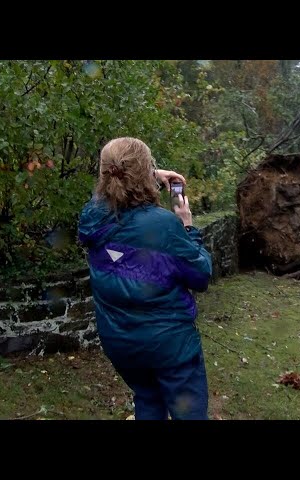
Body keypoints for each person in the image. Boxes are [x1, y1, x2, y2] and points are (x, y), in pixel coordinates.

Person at [78, 137, 212, 420]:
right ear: (142, 171)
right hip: (169, 347)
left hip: (120, 343)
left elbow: (110, 191)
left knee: (148, 398)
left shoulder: (92, 217)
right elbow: (201, 275)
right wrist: (188, 227)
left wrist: (153, 174)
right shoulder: (163, 225)